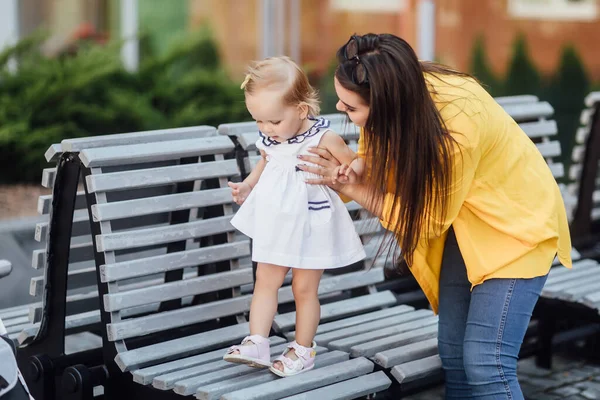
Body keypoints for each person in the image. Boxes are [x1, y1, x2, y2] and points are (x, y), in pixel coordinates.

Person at [298, 33, 572, 399]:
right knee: (454, 355)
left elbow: (424, 221)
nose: (342, 113)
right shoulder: (408, 87)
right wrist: (358, 165)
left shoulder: (456, 131)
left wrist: (355, 189)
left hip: (517, 227)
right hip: (467, 222)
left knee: (486, 362)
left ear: (388, 101)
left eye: (350, 108)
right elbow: (378, 140)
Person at [223, 56, 366, 377]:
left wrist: (349, 169)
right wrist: (247, 186)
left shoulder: (324, 138)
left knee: (303, 289)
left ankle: (303, 348)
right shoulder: (271, 138)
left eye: (273, 121)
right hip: (275, 221)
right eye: (258, 121)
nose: (266, 129)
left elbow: (356, 162)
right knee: (265, 281)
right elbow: (266, 162)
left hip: (310, 225)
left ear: (301, 110)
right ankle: (257, 342)